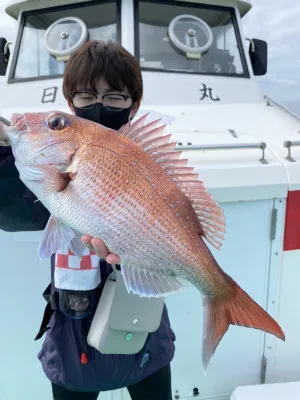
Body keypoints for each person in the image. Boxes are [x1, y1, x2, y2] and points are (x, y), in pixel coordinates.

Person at [0, 40, 176, 400]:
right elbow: (13, 211)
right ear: (70, 103)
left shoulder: (152, 165)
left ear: (134, 106)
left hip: (144, 332)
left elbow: (174, 223)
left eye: (114, 98)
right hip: (72, 340)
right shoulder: (52, 167)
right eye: (86, 96)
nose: (98, 106)